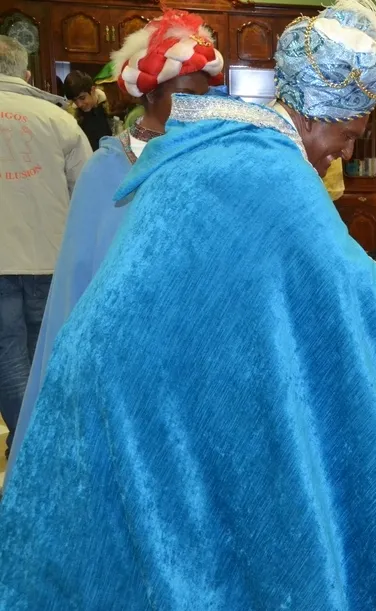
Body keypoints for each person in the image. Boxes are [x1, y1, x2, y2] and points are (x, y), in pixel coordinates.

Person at [0, 3, 376, 611]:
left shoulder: (221, 145)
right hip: (141, 398)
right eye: (344, 138)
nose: (339, 156)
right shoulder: (271, 172)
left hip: (115, 380)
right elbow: (354, 295)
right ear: (316, 116)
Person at [6, 9, 223, 476]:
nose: (196, 115)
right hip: (122, 368)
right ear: (152, 95)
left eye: (204, 102)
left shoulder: (208, 164)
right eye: (186, 101)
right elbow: (81, 288)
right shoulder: (107, 171)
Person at [0, 35, 91, 456]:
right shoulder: (59, 120)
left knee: (7, 355)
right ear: (26, 71)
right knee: (46, 352)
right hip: (50, 256)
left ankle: (25, 445)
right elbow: (87, 189)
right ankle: (48, 442)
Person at [63, 70, 112, 151]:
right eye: (75, 100)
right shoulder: (72, 118)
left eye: (82, 98)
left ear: (93, 90)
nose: (79, 104)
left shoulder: (111, 108)